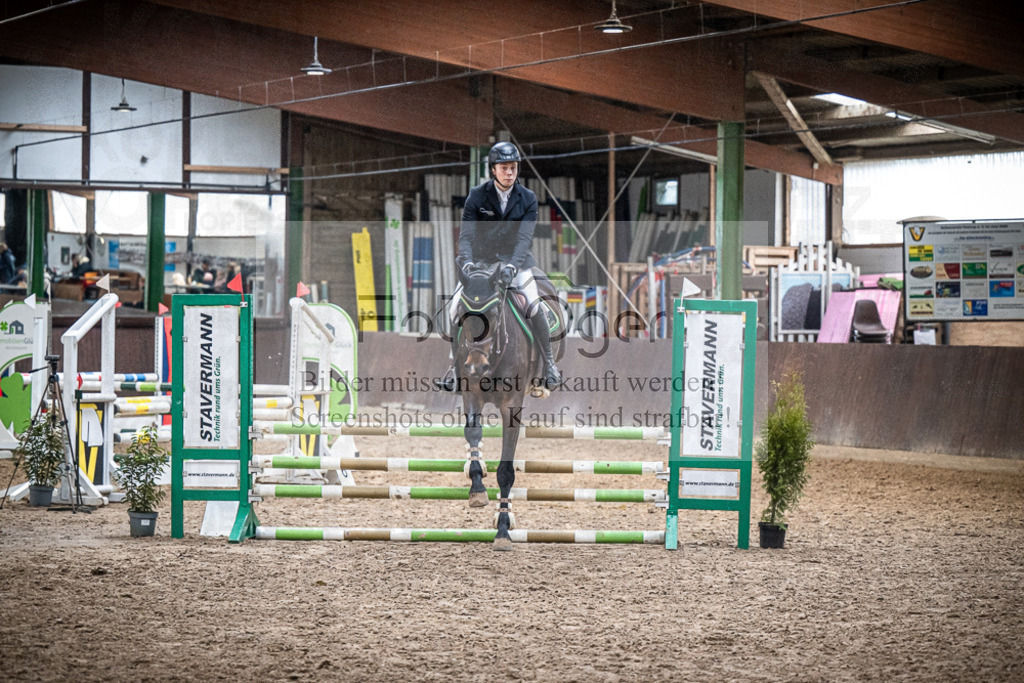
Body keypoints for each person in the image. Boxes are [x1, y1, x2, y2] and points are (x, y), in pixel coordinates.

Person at [438, 141, 561, 392]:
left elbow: (524, 239)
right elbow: (467, 235)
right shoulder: (477, 196)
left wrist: (512, 267)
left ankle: (549, 363)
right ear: (493, 170)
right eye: (504, 168)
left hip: (516, 262)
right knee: (453, 309)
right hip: (481, 265)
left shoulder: (527, 198)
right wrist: (469, 263)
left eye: (513, 168)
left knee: (533, 302)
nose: (510, 172)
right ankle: (455, 369)